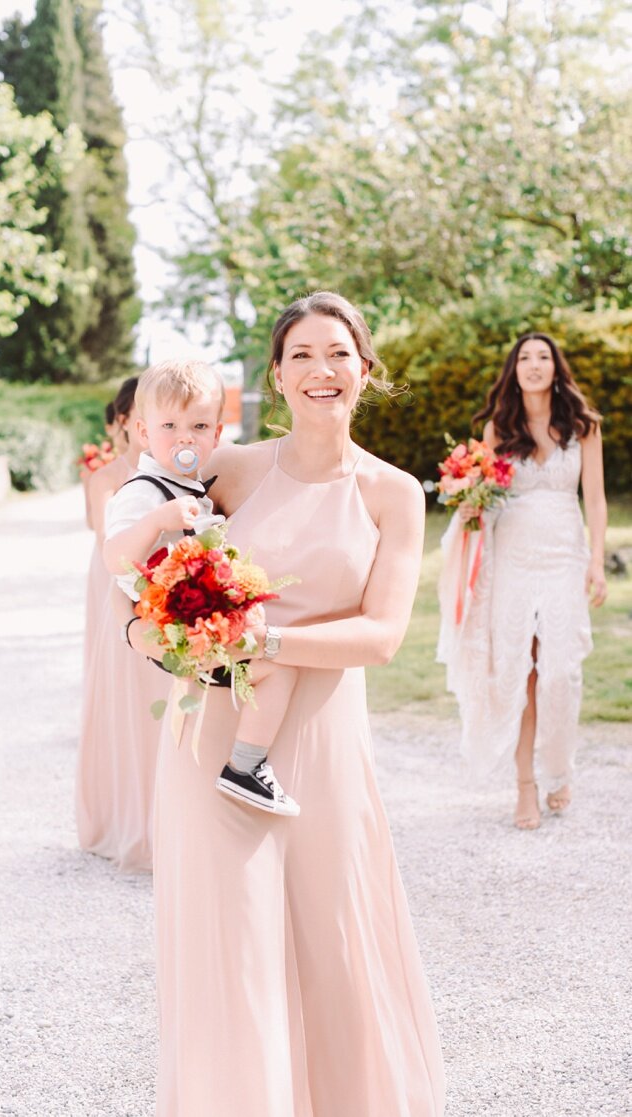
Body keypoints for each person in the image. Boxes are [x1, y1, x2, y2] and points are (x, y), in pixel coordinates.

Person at [145, 293, 444, 1115]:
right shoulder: (232, 468)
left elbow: (383, 635)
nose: (322, 370)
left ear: (366, 369)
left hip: (324, 741)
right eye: (302, 355)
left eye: (339, 353)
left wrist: (263, 640)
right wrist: (159, 631)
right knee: (231, 949)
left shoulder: (392, 493)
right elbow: (142, 562)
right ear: (276, 375)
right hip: (213, 732)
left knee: (333, 944)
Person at [103, 359, 302, 817]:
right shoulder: (143, 492)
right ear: (143, 431)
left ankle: (245, 760)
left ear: (216, 436)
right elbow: (115, 559)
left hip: (193, 619)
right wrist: (157, 521)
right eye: (169, 425)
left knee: (268, 653)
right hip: (174, 628)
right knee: (280, 666)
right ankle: (245, 767)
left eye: (198, 426)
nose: (184, 437)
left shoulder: (187, 486)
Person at [439, 332, 606, 830]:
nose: (534, 365)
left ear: (557, 368)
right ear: (514, 370)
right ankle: (525, 787)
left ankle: (559, 769)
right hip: (511, 559)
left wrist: (596, 561)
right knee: (520, 673)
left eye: (543, 358)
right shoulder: (499, 428)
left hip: (563, 556)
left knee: (560, 672)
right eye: (525, 358)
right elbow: (481, 493)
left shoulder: (583, 426)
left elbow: (594, 500)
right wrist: (465, 492)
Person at [75, 377, 163, 871]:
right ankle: (126, 815)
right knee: (123, 682)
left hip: (161, 574)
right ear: (126, 422)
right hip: (117, 577)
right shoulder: (107, 477)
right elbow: (105, 531)